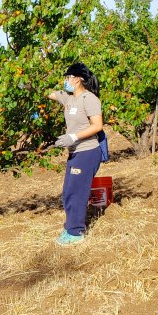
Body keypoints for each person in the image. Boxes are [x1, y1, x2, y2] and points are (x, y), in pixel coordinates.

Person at [48, 62, 103, 246]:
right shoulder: (68, 98)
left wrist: (73, 136)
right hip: (75, 152)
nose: (66, 81)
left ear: (78, 79)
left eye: (68, 77)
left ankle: (76, 232)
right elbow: (49, 94)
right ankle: (70, 227)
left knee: (76, 192)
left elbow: (97, 126)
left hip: (87, 151)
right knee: (68, 192)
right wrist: (26, 85)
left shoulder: (89, 99)